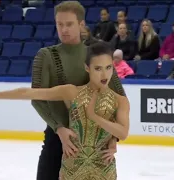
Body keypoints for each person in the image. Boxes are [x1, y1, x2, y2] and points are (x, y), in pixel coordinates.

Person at [0, 42, 130, 180]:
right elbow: (30, 93)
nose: (104, 74)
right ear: (87, 68)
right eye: (98, 68)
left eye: (108, 68)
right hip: (73, 168)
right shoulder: (72, 92)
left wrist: (95, 117)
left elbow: (123, 133)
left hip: (104, 169)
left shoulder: (120, 101)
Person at [31, 1, 127, 180]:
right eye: (60, 24)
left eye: (69, 24)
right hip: (57, 138)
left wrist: (113, 137)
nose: (64, 29)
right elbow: (36, 98)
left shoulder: (96, 54)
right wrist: (59, 128)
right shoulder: (45, 55)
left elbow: (119, 98)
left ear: (81, 24)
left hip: (95, 143)